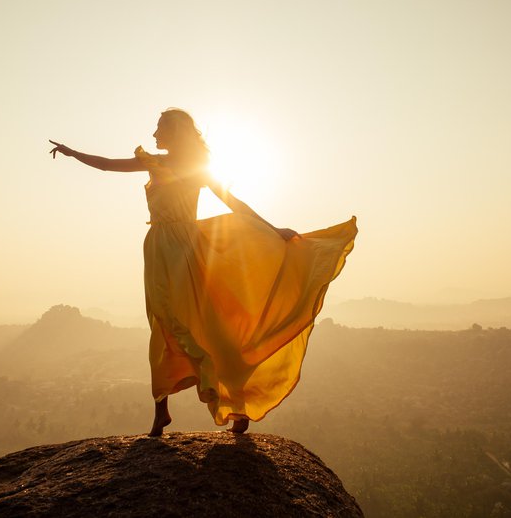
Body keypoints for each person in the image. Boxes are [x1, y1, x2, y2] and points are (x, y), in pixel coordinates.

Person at [49, 109, 356, 435]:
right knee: (161, 323)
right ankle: (161, 410)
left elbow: (234, 204)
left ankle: (236, 404)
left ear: (175, 132)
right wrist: (72, 152)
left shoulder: (198, 170)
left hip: (186, 251)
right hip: (157, 249)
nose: (154, 134)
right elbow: (109, 165)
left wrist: (273, 229)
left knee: (199, 327)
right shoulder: (155, 162)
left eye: (160, 128)